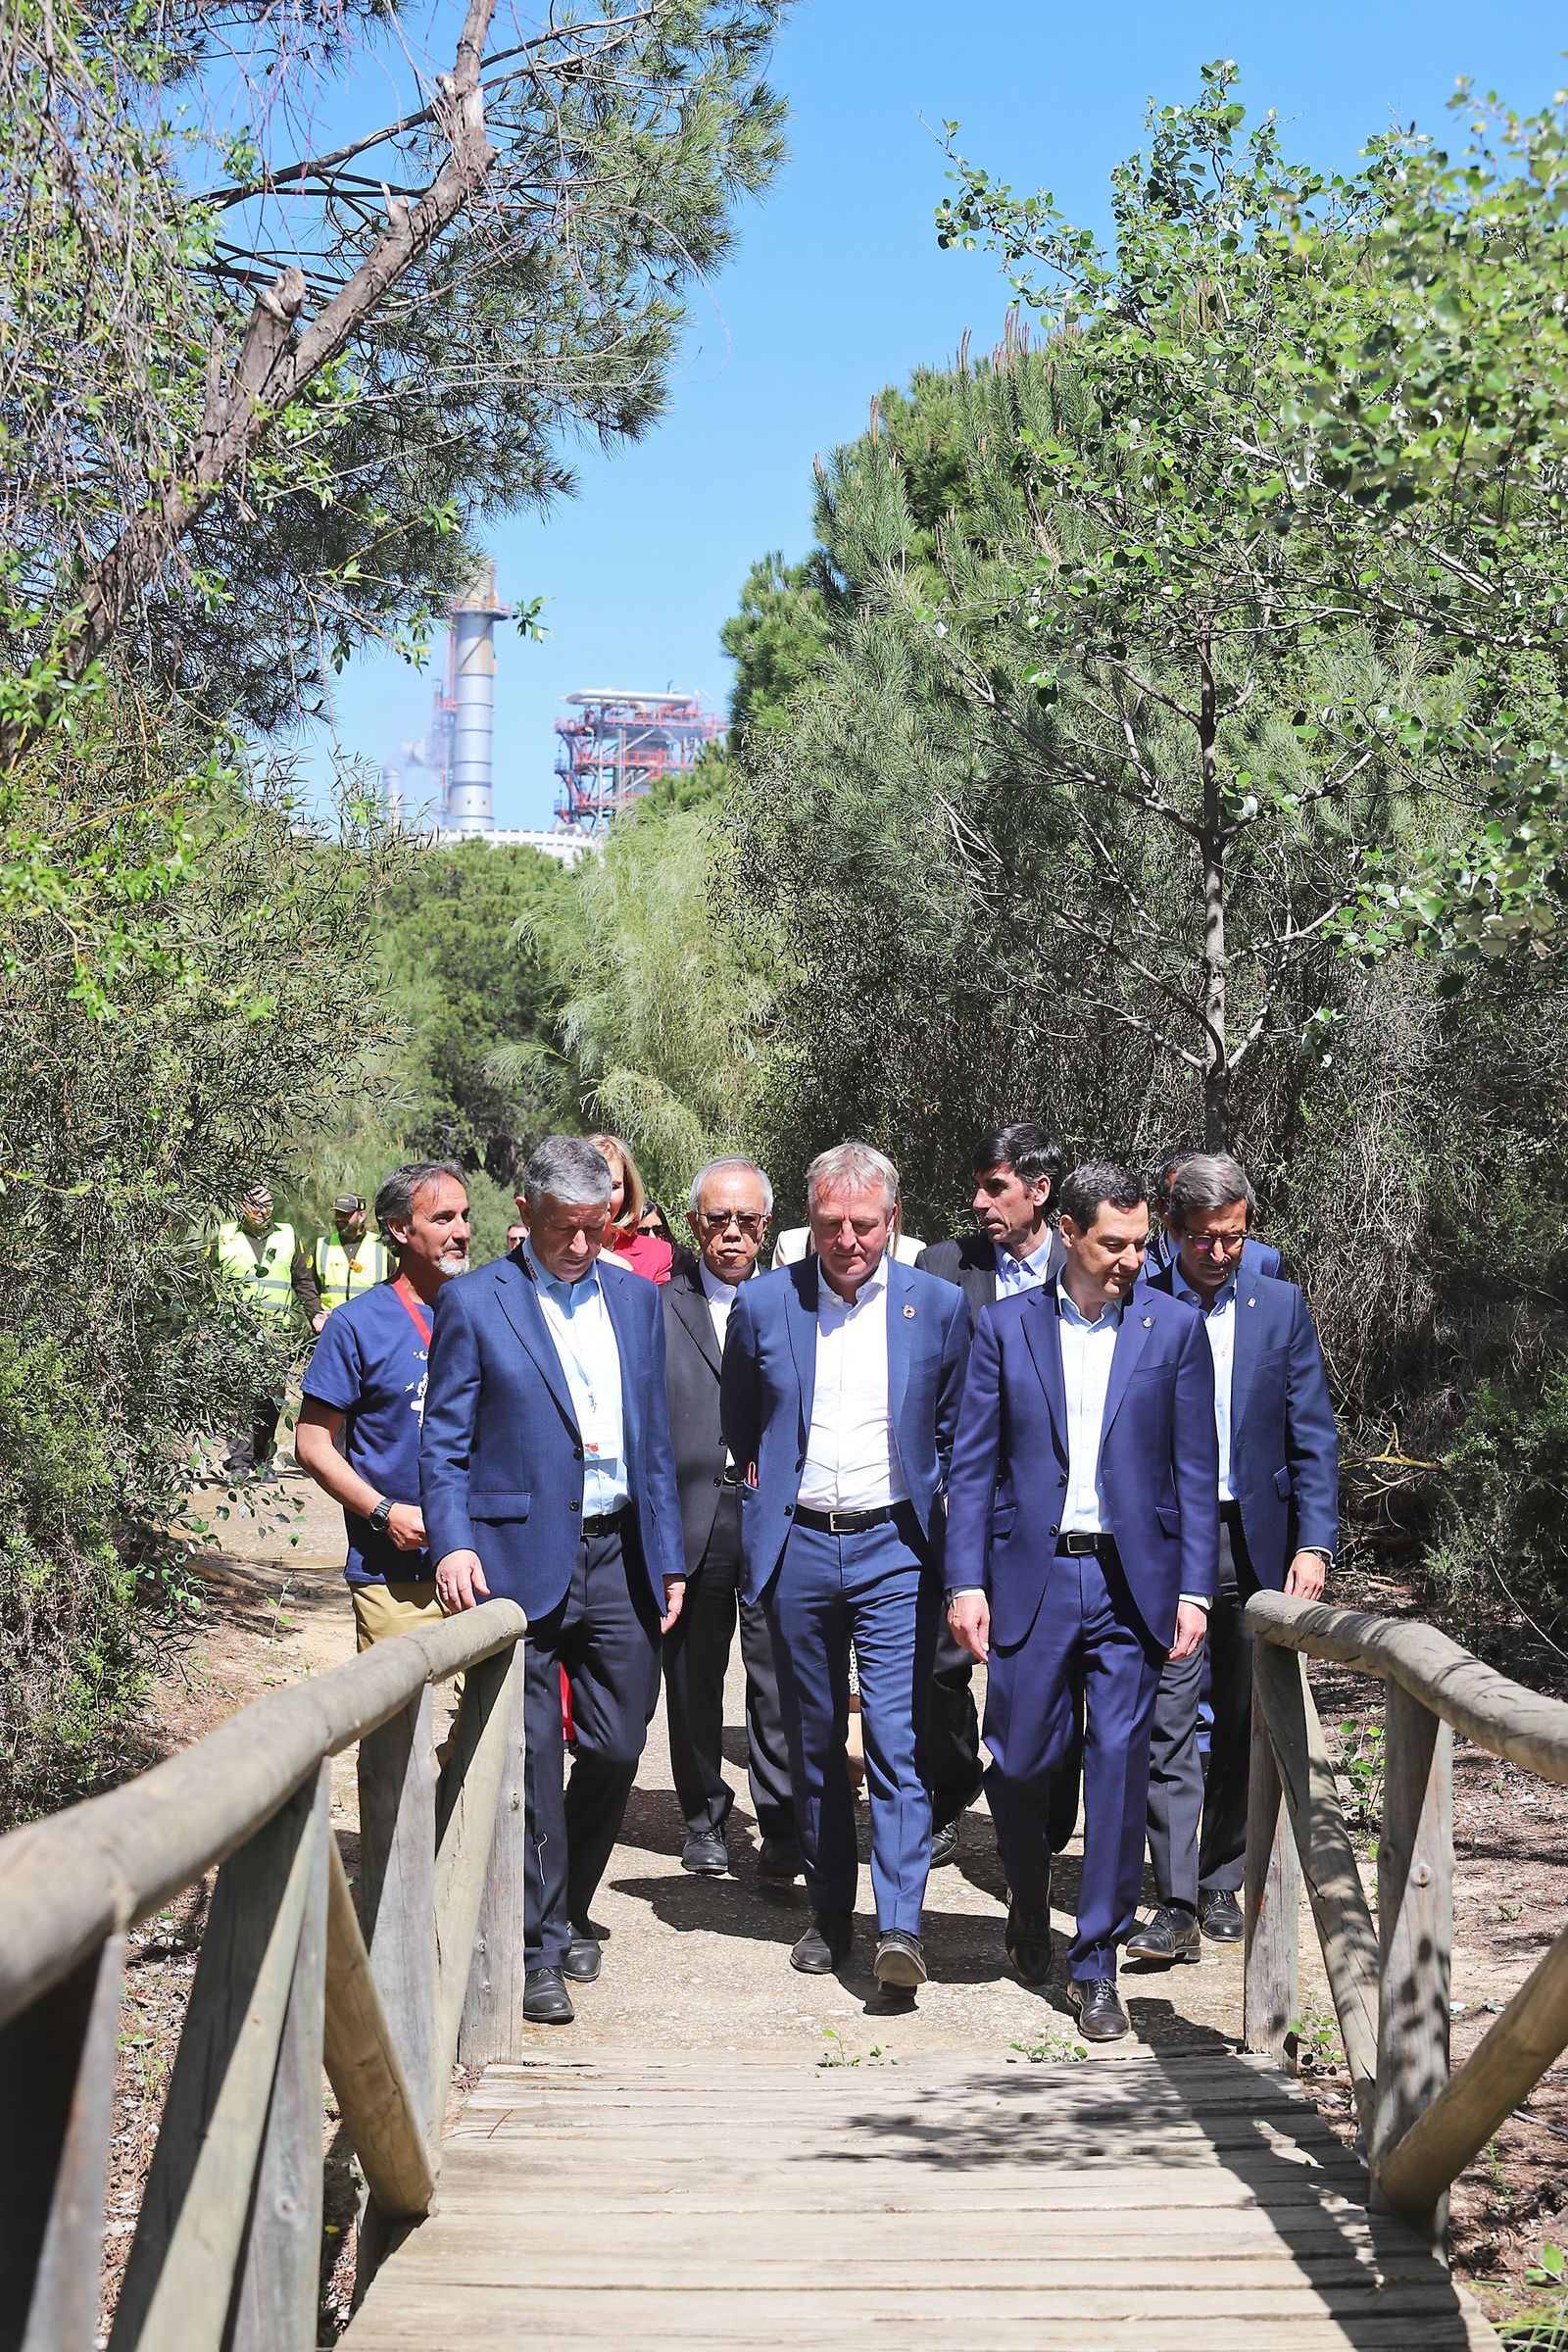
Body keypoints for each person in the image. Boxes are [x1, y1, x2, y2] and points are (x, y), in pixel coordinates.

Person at [945, 1161, 1219, 2041]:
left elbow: (1193, 1470)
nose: (1133, 1259)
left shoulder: (1173, 1329)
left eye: (1142, 1243)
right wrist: (966, 1581)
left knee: (1119, 1765)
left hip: (1132, 1582)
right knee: (1019, 1763)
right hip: (1031, 1577)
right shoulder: (1002, 1327)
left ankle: (1095, 1963)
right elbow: (974, 1465)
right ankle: (1028, 1897)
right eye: (1115, 1243)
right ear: (1067, 1232)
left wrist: (1195, 1591)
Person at [421, 1135, 687, 2027]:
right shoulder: (474, 1302)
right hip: (514, 1556)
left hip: (622, 1556)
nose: (580, 1245)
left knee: (615, 1745)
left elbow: (652, 1440)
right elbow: (444, 1443)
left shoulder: (639, 1301)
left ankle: (568, 1904)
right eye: (564, 1228)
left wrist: (672, 1555)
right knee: (532, 1755)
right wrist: (452, 1544)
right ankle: (539, 1949)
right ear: (527, 1213)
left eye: (595, 1227)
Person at [721, 1142, 971, 1995]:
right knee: (817, 1743)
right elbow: (745, 1426)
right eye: (831, 1225)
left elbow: (953, 1433)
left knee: (897, 1743)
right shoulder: (762, 1306)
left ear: (893, 1222)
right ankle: (830, 1917)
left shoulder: (937, 1307)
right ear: (808, 1223)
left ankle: (900, 1924)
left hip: (896, 1548)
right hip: (797, 1547)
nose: (848, 1241)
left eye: (865, 1226)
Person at [1130, 1153, 1338, 1961]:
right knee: (1168, 1718)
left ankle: (1224, 1878)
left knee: (1247, 1714)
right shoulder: (1139, 1305)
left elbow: (1311, 1435)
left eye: (1236, 1238)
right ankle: (1174, 1897)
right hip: (1168, 1541)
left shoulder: (1279, 1304)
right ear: (1172, 1228)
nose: (1222, 1253)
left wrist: (1314, 1542)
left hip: (1259, 1542)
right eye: (1206, 1239)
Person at [916, 1122, 1067, 1862]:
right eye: (976, 1186)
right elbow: (923, 1384)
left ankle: (1046, 1818)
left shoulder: (1090, 1264)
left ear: (1040, 1192)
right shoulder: (946, 1266)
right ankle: (950, 1790)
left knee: (1052, 1662)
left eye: (995, 1187)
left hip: (1058, 1506)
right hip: (963, 1500)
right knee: (942, 1665)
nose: (979, 1201)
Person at [662, 1156, 798, 1883]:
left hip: (773, 1515)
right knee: (693, 1676)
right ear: (694, 1226)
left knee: (776, 1676)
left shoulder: (794, 1303)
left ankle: (780, 1826)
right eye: (720, 1219)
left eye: (748, 1221)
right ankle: (704, 1816)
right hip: (694, 1516)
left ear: (765, 1227)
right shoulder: (659, 1306)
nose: (735, 1234)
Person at [295, 1162, 470, 1652]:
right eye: (443, 1218)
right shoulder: (355, 1325)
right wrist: (383, 1512)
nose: (461, 1232)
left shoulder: (489, 1310)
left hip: (481, 1562)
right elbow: (311, 1444)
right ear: (400, 1229)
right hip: (393, 1574)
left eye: (465, 1216)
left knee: (494, 1726)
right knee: (397, 1724)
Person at [212, 1181, 317, 1472]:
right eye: (255, 1204)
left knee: (272, 1398)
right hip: (236, 1332)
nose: (261, 1210)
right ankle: (239, 1461)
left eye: (266, 1204)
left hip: (276, 1334)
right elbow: (208, 1282)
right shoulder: (225, 1235)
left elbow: (303, 1281)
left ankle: (261, 1459)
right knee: (241, 1395)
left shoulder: (287, 1236)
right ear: (243, 1206)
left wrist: (316, 1314)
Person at [1146, 1148, 1283, 1284]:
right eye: (1177, 1199)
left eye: (1231, 1238)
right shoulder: (1135, 1269)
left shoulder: (1264, 1262)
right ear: (1162, 1209)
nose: (1217, 1255)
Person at [587, 1131, 674, 1284]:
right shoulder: (550, 1248)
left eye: (614, 1186)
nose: (604, 1197)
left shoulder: (656, 1254)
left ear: (627, 1190)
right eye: (592, 1185)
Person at [308, 1193, 392, 1330]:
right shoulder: (322, 1245)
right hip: (332, 1328)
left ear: (361, 1216)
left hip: (371, 1329)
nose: (339, 1218)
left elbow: (398, 1289)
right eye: (337, 1214)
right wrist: (316, 1316)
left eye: (346, 1214)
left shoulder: (382, 1246)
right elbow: (307, 1286)